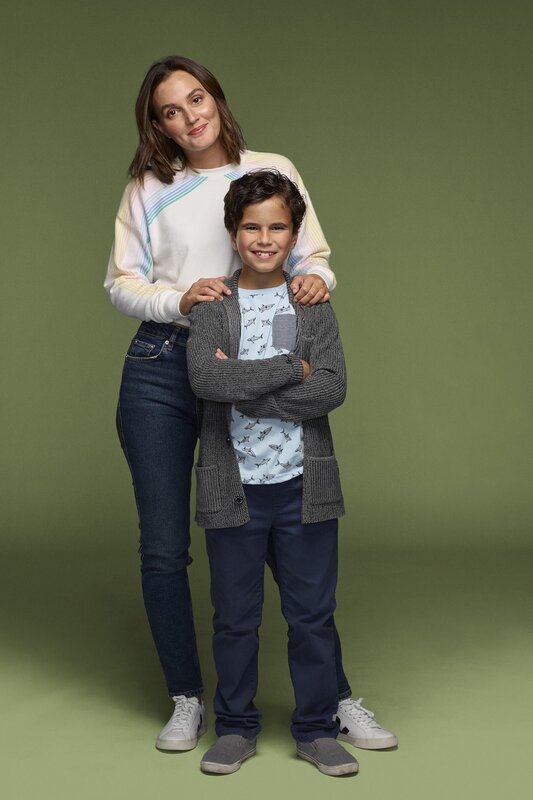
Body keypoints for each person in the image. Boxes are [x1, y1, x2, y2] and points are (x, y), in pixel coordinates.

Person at [105, 55, 397, 753]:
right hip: (163, 364)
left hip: (250, 349)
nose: (189, 117)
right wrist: (180, 300)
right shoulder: (149, 188)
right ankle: (187, 697)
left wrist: (317, 281)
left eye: (195, 99)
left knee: (276, 533)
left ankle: (332, 700)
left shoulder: (271, 168)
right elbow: (120, 282)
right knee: (165, 547)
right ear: (158, 126)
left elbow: (312, 255)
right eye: (170, 111)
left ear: (216, 97)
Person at [187, 169, 359, 776]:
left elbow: (332, 386)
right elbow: (205, 379)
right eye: (251, 227)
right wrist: (292, 369)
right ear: (233, 233)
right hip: (231, 488)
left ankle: (316, 729)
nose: (264, 239)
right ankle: (236, 727)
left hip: (304, 488)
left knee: (311, 616)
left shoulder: (312, 303)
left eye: (278, 227)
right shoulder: (213, 305)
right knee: (235, 620)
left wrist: (245, 386)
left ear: (294, 233)